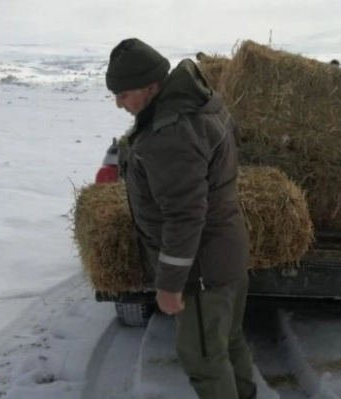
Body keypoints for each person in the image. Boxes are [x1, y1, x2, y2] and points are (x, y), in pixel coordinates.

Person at [105, 38, 257, 399]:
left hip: (201, 271)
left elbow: (185, 214)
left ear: (151, 87)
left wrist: (171, 284)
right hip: (226, 254)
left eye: (124, 94)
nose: (119, 103)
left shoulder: (170, 133)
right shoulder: (198, 104)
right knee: (227, 341)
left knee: (204, 359)